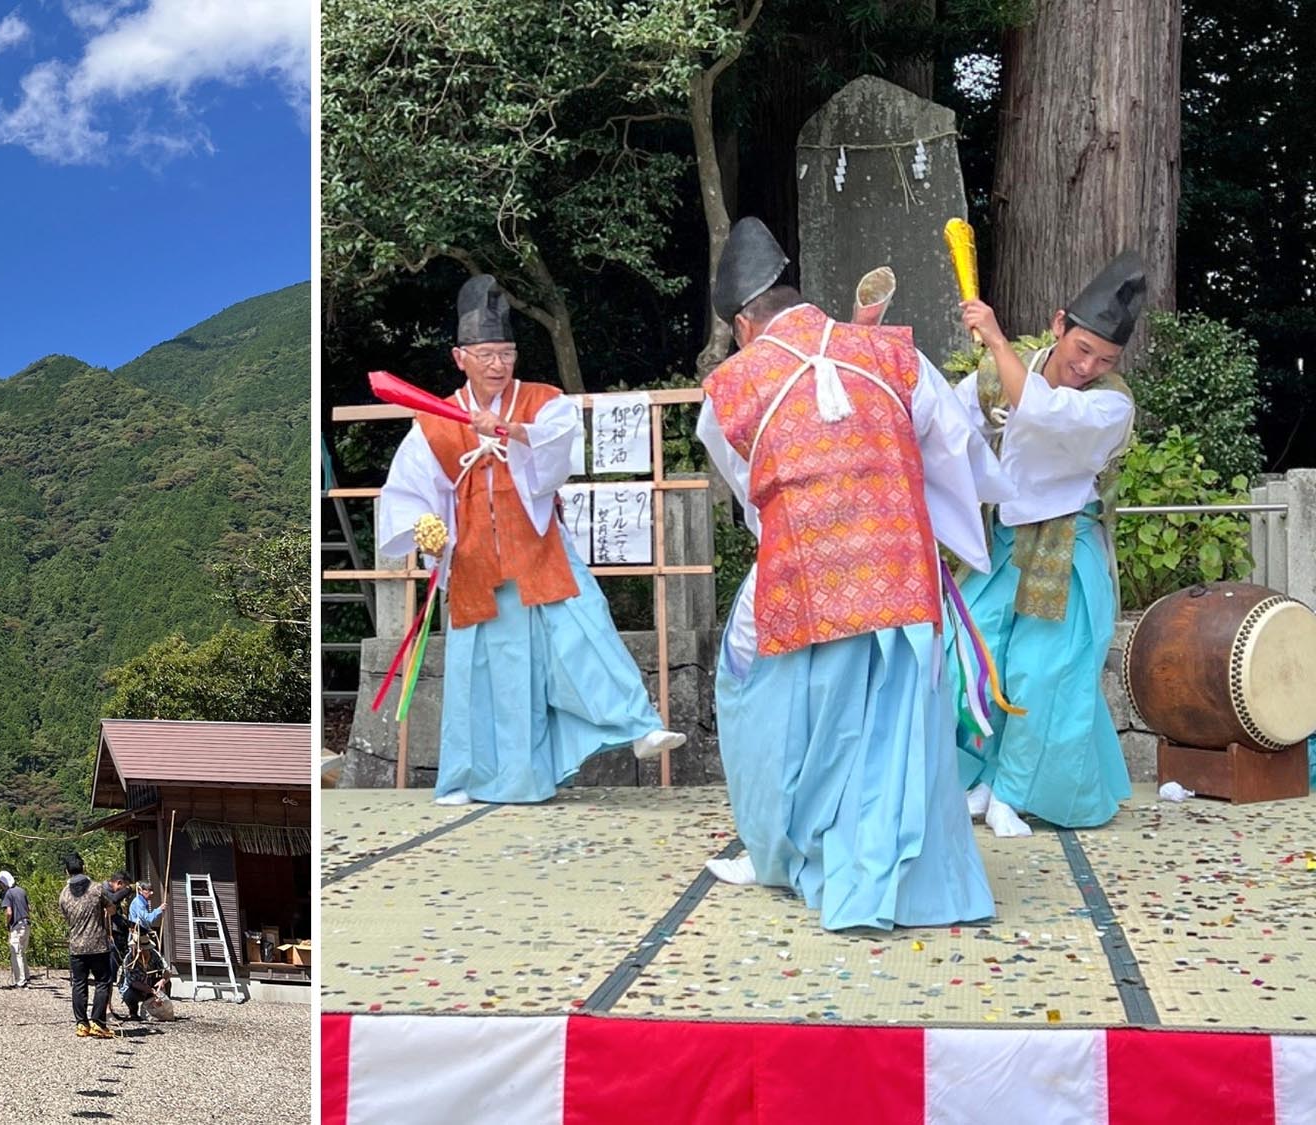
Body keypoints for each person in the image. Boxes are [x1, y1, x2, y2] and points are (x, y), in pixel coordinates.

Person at [696, 217, 1011, 931]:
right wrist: (933, 524)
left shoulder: (732, 385)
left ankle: (781, 853)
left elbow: (752, 491)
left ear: (746, 323)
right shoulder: (889, 350)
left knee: (764, 696)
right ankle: (916, 881)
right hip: (903, 573)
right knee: (900, 725)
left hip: (807, 578)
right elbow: (953, 446)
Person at [376, 274, 686, 806]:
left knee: (585, 633)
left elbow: (558, 450)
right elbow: (408, 492)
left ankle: (637, 725)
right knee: (490, 672)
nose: (498, 365)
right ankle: (479, 779)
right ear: (460, 357)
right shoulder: (433, 423)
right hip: (475, 555)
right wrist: (426, 532)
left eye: (507, 353)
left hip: (539, 545)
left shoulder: (542, 401)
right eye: (487, 354)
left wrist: (509, 430)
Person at [948, 252, 1142, 837]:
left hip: (1067, 542)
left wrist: (997, 341)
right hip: (1004, 541)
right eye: (1082, 349)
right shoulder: (990, 375)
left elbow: (1046, 412)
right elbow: (946, 430)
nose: (1088, 366)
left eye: (1104, 359)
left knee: (1042, 672)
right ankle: (980, 776)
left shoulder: (1112, 404)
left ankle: (1016, 790)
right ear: (1059, 324)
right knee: (971, 650)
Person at [59, 851, 115, 1039]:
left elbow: (66, 917)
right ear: (84, 867)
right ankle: (98, 1023)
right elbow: (111, 907)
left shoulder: (64, 895)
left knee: (79, 984)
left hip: (76, 946)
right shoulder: (97, 889)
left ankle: (82, 1024)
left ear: (67, 872)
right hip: (98, 944)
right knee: (102, 982)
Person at [0, 870, 32, 988]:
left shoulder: (9, 894)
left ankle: (20, 981)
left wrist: (7, 924)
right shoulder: (22, 891)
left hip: (17, 925)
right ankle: (26, 977)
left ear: (4, 883)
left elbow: (9, 912)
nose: (0, 887)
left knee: (16, 952)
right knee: (22, 952)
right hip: (27, 923)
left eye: (0, 884)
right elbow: (29, 908)